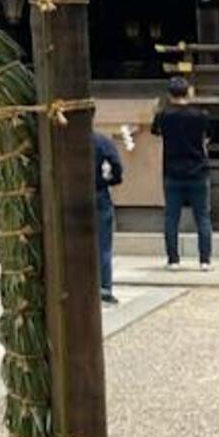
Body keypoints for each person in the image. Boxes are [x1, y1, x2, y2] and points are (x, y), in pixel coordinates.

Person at [152, 77, 212, 269]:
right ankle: (204, 260)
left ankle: (173, 260)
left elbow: (155, 132)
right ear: (188, 92)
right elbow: (208, 138)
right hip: (197, 170)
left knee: (171, 217)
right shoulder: (201, 115)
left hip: (172, 171)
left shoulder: (163, 116)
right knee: (202, 216)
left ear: (169, 95)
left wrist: (156, 111)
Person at [93, 127, 124, 305]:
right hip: (99, 192)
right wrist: (112, 180)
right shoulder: (101, 140)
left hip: (70, 196)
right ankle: (104, 289)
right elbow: (116, 164)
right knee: (103, 245)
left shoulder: (63, 140)